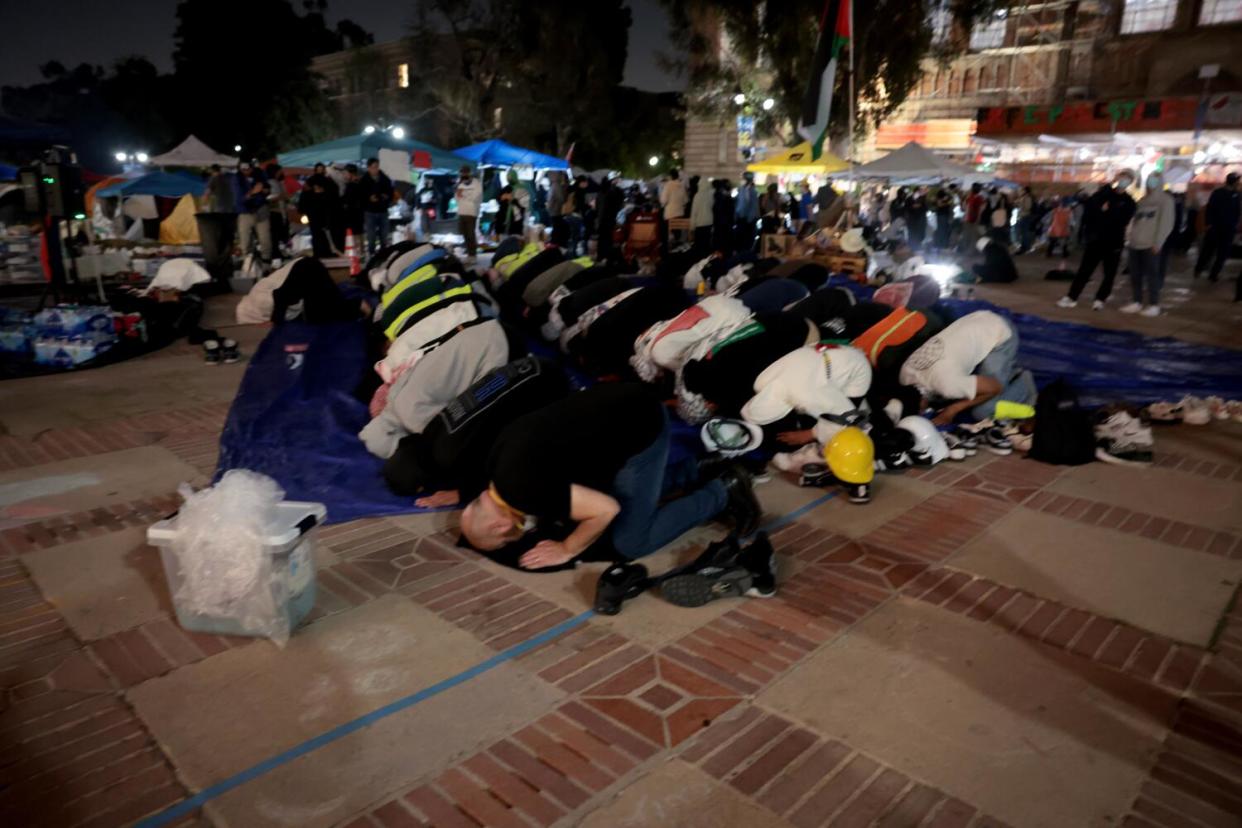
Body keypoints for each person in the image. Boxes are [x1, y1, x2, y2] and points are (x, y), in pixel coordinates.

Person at [458, 383, 760, 567]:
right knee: (615, 502)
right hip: (613, 405)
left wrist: (567, 549)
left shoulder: (526, 491)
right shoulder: (494, 469)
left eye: (501, 543)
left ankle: (724, 489)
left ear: (499, 526)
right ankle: (698, 468)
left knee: (631, 541)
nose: (509, 543)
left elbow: (605, 510)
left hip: (641, 424)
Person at [899, 310, 1034, 425]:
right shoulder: (905, 375)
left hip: (1000, 333)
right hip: (977, 319)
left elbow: (994, 387)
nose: (923, 413)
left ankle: (1024, 384)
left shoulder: (947, 386)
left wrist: (953, 409)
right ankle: (1008, 372)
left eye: (920, 412)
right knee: (948, 396)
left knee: (983, 411)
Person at [1057, 170, 1137, 310]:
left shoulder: (1129, 202)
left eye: (1126, 179)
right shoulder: (1104, 194)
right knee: (1085, 270)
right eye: (1121, 178)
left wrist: (1106, 211)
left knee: (1109, 273)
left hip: (1114, 242)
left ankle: (1100, 299)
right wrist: (1107, 191)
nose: (1123, 181)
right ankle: (1072, 297)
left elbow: (1121, 220)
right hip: (1096, 239)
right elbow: (1091, 208)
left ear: (1130, 183)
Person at [1120, 172, 1175, 317]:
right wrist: (1130, 238)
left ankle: (1154, 304)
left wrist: (1158, 242)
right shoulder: (1142, 200)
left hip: (1151, 244)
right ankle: (1136, 301)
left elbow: (1166, 223)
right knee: (1135, 275)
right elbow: (1135, 222)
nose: (1151, 182)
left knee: (1152, 275)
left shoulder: (1166, 200)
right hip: (1135, 243)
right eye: (1149, 179)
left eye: (1154, 179)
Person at [1193, 172, 1240, 284]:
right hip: (1215, 227)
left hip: (1228, 228)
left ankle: (1214, 274)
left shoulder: (1237, 195)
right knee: (1208, 250)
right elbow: (1210, 208)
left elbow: (1237, 211)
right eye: (1237, 181)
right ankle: (1199, 269)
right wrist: (1209, 223)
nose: (1238, 183)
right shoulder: (1218, 193)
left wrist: (1235, 224)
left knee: (1223, 253)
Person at [198, 164, 238, 289]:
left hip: (221, 213)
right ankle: (227, 268)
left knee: (218, 241)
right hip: (232, 212)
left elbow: (207, 193)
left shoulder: (214, 178)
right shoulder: (228, 179)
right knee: (228, 240)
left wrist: (202, 205)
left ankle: (218, 270)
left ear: (212, 171)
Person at [299, 163, 339, 258]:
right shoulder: (312, 181)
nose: (320, 171)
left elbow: (333, 195)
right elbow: (305, 195)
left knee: (324, 233)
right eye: (319, 169)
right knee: (317, 234)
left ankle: (326, 251)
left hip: (324, 212)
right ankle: (320, 252)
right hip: (314, 212)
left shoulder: (328, 182)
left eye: (322, 169)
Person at [236, 161, 272, 262]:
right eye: (243, 169)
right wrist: (252, 192)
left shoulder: (260, 174)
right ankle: (246, 262)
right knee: (245, 241)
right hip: (245, 213)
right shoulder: (237, 179)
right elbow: (239, 199)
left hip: (261, 211)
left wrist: (265, 190)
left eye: (248, 169)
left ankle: (266, 261)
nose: (246, 171)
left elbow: (267, 188)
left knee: (265, 239)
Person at [358, 158, 394, 258]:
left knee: (384, 236)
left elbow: (391, 193)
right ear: (368, 168)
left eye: (376, 167)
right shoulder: (364, 180)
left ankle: (383, 256)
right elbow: (360, 196)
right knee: (371, 236)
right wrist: (369, 198)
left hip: (383, 210)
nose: (375, 169)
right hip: (370, 212)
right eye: (373, 167)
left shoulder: (385, 179)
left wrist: (386, 197)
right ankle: (371, 255)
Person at [455, 165, 482, 263]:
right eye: (462, 173)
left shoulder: (476, 183)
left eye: (465, 173)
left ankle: (473, 255)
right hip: (461, 211)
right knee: (464, 233)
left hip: (471, 212)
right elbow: (457, 198)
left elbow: (475, 197)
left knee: (471, 234)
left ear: (469, 173)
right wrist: (460, 195)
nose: (463, 175)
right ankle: (469, 254)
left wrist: (463, 195)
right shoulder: (460, 183)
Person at [659, 169, 687, 252]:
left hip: (670, 215)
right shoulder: (681, 185)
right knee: (678, 235)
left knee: (667, 235)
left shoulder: (668, 185)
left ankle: (668, 252)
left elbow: (663, 200)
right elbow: (685, 200)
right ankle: (678, 252)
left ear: (670, 176)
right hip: (680, 214)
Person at [338, 164, 364, 252]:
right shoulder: (355, 184)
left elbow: (348, 200)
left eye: (345, 173)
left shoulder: (353, 186)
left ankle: (358, 252)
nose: (344, 175)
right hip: (356, 215)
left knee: (355, 235)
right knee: (358, 234)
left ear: (351, 173)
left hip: (353, 215)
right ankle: (360, 252)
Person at [690, 175, 714, 256]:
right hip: (709, 223)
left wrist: (692, 227)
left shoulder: (697, 196)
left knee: (699, 246)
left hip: (699, 224)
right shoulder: (711, 196)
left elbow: (694, 212)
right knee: (707, 245)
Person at [735, 172, 759, 250]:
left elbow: (751, 206)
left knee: (746, 240)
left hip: (747, 219)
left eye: (743, 178)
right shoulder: (743, 189)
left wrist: (749, 219)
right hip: (743, 218)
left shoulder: (750, 191)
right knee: (742, 240)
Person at [960, 183, 986, 252]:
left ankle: (966, 250)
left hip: (967, 219)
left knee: (966, 235)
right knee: (973, 236)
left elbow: (963, 208)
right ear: (979, 190)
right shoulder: (980, 198)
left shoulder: (968, 197)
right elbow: (982, 209)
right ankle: (971, 251)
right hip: (975, 219)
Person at [712, 178, 735, 254]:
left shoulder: (718, 196)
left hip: (720, 224)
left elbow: (716, 210)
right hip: (726, 225)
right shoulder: (727, 197)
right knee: (725, 245)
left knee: (721, 244)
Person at [1014, 186, 1036, 253]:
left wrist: (1021, 204)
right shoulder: (1023, 198)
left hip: (1025, 217)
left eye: (1022, 190)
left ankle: (1025, 247)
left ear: (1025, 191)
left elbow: (1027, 208)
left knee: (1024, 233)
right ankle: (1024, 246)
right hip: (1022, 217)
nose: (1021, 191)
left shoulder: (1027, 198)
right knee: (1022, 233)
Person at [933, 184, 955, 250]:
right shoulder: (940, 193)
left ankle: (944, 244)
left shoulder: (947, 194)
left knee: (945, 229)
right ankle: (942, 245)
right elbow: (939, 204)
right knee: (942, 230)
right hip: (941, 214)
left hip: (945, 214)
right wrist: (948, 203)